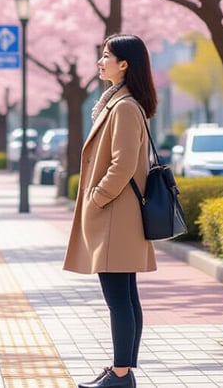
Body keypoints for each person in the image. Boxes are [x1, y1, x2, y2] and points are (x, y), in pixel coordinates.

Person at [63, 34, 158, 388]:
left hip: (117, 215)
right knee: (125, 296)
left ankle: (121, 375)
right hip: (118, 214)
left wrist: (96, 197)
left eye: (106, 56)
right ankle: (122, 371)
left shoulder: (125, 107)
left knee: (119, 299)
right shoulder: (119, 104)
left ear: (124, 64)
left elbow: (123, 164)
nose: (100, 62)